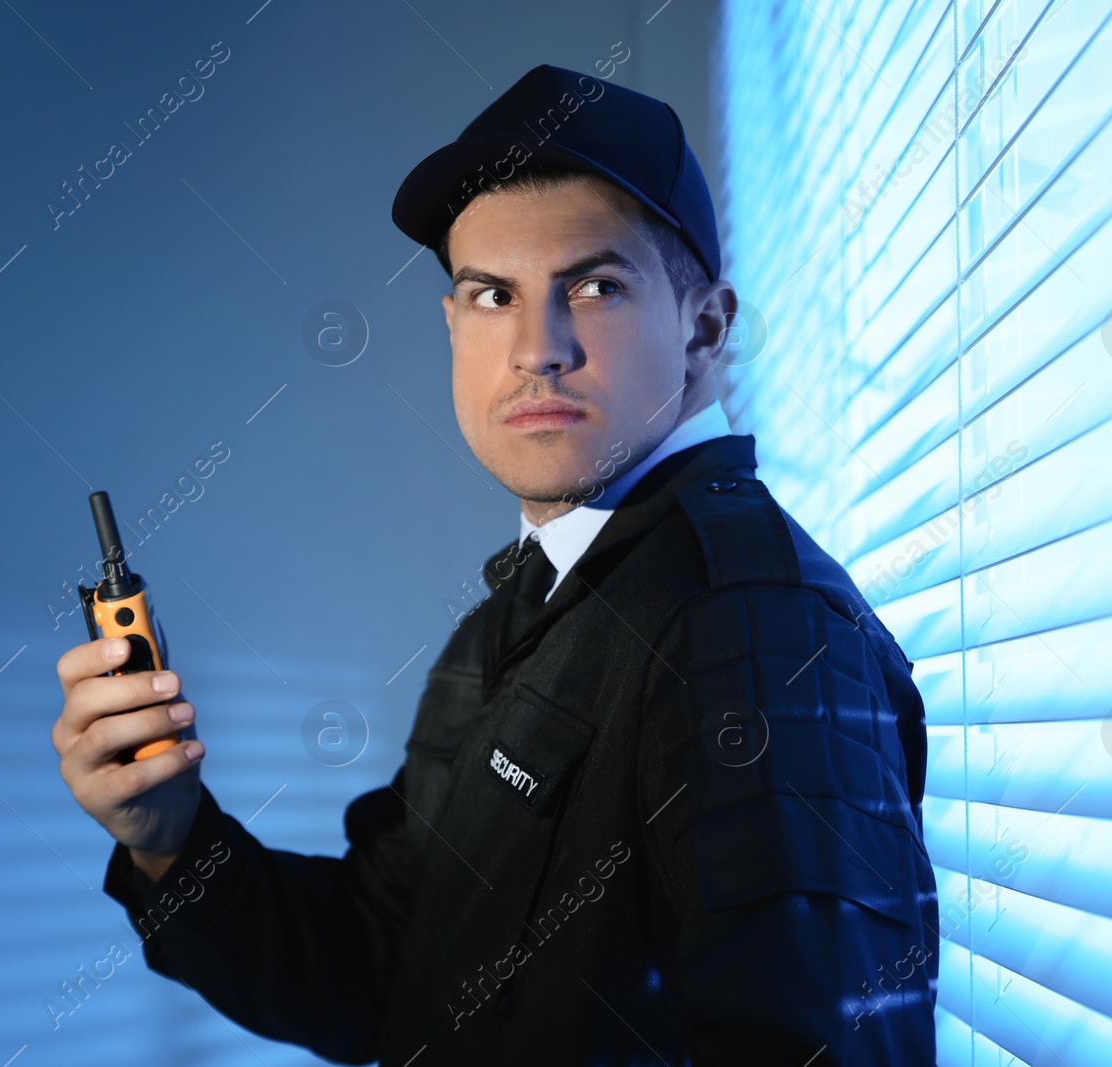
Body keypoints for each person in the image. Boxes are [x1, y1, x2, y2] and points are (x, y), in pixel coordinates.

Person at [51, 64, 938, 1065]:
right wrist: (169, 832)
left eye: (594, 286)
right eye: (490, 295)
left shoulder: (754, 628)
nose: (536, 348)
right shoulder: (516, 614)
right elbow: (382, 970)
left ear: (704, 326)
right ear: (450, 326)